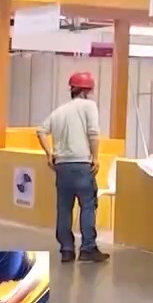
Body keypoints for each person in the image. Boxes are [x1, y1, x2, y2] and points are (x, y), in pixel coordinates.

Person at [36, 71, 109, 263]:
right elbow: (93, 133)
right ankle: (88, 248)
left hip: (62, 166)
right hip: (82, 164)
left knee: (64, 208)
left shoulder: (59, 111)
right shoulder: (89, 106)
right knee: (88, 205)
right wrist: (95, 157)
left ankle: (67, 250)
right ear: (87, 90)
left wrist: (49, 153)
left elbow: (41, 131)